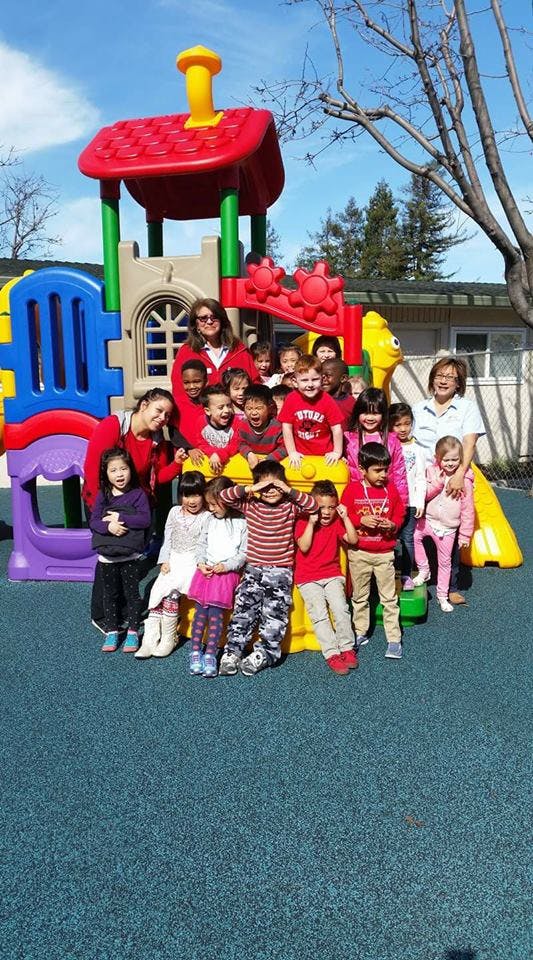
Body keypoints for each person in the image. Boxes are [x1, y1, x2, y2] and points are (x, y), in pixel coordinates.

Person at [82, 388, 186, 632]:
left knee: (128, 560)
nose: (162, 418)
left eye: (167, 416)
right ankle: (102, 614)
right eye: (159, 411)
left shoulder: (156, 440)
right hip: (104, 503)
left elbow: (158, 477)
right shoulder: (114, 426)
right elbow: (93, 468)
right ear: (144, 405)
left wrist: (177, 465)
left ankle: (125, 610)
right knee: (109, 557)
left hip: (133, 507)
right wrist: (105, 513)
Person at [217, 460, 317, 675]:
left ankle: (267, 652)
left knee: (274, 615)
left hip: (280, 572)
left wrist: (288, 489)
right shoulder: (251, 505)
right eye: (265, 487)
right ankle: (233, 651)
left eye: (275, 486)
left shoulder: (290, 506)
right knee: (243, 610)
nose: (271, 491)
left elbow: (313, 506)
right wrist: (252, 488)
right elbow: (224, 496)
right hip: (253, 570)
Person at [412, 355, 485, 605]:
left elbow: (469, 442)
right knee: (418, 526)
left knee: (450, 527)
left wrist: (459, 474)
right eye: (439, 375)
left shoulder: (466, 407)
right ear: (432, 378)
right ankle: (420, 573)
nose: (443, 381)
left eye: (450, 377)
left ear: (458, 383)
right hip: (424, 476)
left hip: (454, 474)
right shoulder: (418, 408)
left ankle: (451, 584)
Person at [341, 443, 406, 659]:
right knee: (360, 597)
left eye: (385, 469)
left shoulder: (391, 489)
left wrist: (393, 526)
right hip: (359, 552)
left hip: (384, 553)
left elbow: (399, 513)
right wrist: (361, 520)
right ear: (362, 470)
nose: (383, 475)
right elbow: (343, 516)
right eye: (377, 470)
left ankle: (394, 639)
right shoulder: (352, 489)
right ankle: (360, 632)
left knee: (389, 598)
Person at [135, 471, 208, 659]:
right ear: (180, 495)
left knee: (172, 592)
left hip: (190, 560)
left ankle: (168, 637)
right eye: (186, 495)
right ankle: (150, 638)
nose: (191, 500)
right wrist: (164, 560)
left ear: (203, 495)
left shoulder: (206, 517)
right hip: (173, 558)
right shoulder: (174, 512)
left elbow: (202, 543)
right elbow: (167, 538)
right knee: (157, 591)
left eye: (196, 495)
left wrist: (199, 562)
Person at [89, 448, 152, 654]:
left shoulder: (137, 494)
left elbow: (145, 519)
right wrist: (109, 527)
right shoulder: (103, 495)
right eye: (113, 470)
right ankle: (112, 631)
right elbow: (94, 521)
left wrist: (120, 519)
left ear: (130, 470)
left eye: (123, 469)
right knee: (110, 594)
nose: (119, 474)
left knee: (132, 594)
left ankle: (133, 631)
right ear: (105, 474)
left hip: (130, 555)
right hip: (108, 556)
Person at [295, 480, 358, 675]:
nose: (327, 512)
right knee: (319, 614)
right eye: (322, 507)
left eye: (331, 507)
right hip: (307, 577)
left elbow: (353, 540)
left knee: (341, 608)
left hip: (331, 574)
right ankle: (331, 653)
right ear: (313, 506)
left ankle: (346, 648)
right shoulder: (303, 521)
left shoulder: (337, 522)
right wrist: (312, 523)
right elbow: (304, 546)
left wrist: (346, 517)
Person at [187, 477, 247, 678]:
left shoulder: (241, 522)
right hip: (206, 572)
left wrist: (227, 566)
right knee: (200, 614)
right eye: (209, 504)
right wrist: (200, 562)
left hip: (225, 575)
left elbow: (243, 554)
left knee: (216, 616)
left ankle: (211, 654)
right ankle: (195, 652)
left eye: (213, 504)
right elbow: (201, 545)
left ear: (227, 501)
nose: (210, 508)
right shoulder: (208, 520)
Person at [412, 437, 475, 613]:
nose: (450, 463)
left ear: (461, 459)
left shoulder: (465, 480)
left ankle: (442, 596)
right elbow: (423, 495)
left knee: (445, 562)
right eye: (446, 459)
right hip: (429, 520)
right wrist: (438, 484)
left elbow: (468, 509)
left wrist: (465, 535)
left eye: (455, 459)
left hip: (448, 528)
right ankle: (424, 569)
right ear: (437, 458)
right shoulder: (431, 473)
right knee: (414, 536)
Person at [170, 298, 259, 400]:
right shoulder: (186, 352)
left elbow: (255, 386)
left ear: (222, 321)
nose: (209, 322)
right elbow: (179, 392)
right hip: (198, 414)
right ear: (196, 325)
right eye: (203, 318)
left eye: (214, 317)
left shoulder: (239, 350)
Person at [345, 387, 408, 506]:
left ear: (383, 414)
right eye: (365, 413)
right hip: (359, 500)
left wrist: (401, 504)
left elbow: (399, 474)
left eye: (375, 413)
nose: (369, 418)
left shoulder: (392, 441)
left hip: (385, 501)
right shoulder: (349, 440)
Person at [278, 355, 344, 468]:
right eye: (304, 380)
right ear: (295, 381)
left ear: (322, 379)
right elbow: (286, 427)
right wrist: (292, 452)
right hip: (300, 456)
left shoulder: (327, 400)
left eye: (315, 379)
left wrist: (337, 452)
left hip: (324, 457)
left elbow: (337, 428)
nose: (310, 385)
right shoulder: (291, 399)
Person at [388, 402, 427, 590]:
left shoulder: (417, 449)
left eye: (407, 423)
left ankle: (406, 574)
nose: (403, 429)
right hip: (389, 502)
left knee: (408, 539)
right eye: (397, 425)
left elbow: (420, 477)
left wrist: (419, 501)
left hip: (410, 502)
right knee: (388, 538)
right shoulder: (386, 445)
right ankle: (387, 574)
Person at [192, 384, 240, 475]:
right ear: (207, 411)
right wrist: (212, 454)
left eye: (229, 406)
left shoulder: (236, 423)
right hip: (209, 467)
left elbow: (235, 445)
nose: (226, 410)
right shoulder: (201, 422)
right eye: (220, 407)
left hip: (231, 468)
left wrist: (219, 455)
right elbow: (201, 444)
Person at [238, 384, 286, 469]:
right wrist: (249, 454)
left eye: (258, 408)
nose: (254, 413)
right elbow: (240, 443)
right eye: (249, 408)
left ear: (269, 408)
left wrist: (268, 460)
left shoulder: (277, 427)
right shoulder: (242, 425)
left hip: (270, 468)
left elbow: (284, 448)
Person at [321, 358, 355, 429]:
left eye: (328, 375)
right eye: (321, 375)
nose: (323, 379)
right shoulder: (317, 400)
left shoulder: (351, 402)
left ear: (343, 378)